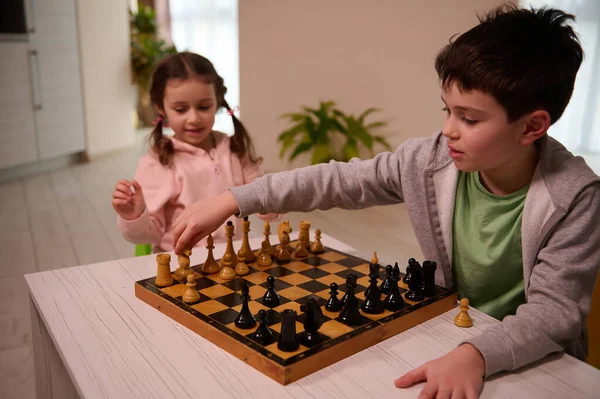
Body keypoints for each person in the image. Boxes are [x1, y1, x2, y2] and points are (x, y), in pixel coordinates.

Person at [171, 5, 600, 398]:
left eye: (468, 118)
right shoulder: (428, 162)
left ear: (532, 126)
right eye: (446, 110)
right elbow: (339, 181)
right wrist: (235, 198)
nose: (448, 130)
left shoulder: (574, 197)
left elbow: (553, 314)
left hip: (530, 362)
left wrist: (476, 354)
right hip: (447, 332)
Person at [112, 52, 278, 253]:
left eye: (204, 107)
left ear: (217, 102)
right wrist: (134, 216)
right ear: (161, 108)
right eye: (181, 109)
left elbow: (259, 194)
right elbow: (149, 234)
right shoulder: (158, 161)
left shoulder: (233, 148)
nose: (194, 118)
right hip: (182, 267)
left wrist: (269, 206)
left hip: (233, 260)